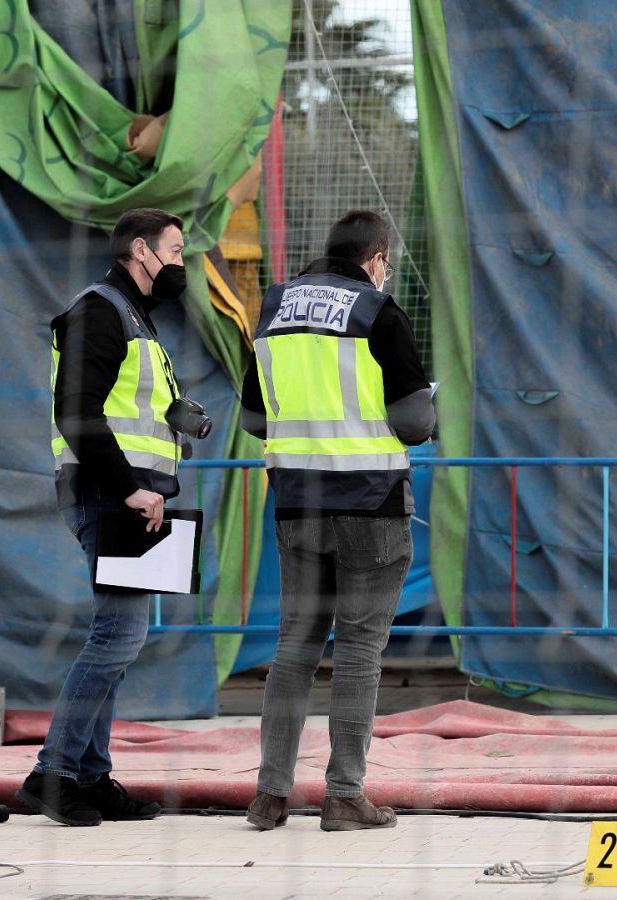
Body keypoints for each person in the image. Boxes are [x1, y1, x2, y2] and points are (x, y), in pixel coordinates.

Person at [238, 210, 435, 831]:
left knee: (294, 647)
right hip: (372, 506)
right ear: (376, 260)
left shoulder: (273, 312)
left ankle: (270, 796)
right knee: (357, 653)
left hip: (298, 504)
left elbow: (252, 421)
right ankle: (344, 795)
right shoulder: (379, 312)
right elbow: (415, 425)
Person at [20, 207, 207, 826]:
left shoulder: (135, 319)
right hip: (113, 493)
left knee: (123, 639)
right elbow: (77, 411)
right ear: (139, 250)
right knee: (116, 637)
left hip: (134, 492)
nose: (182, 263)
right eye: (175, 251)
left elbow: (124, 404)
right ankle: (55, 773)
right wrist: (129, 488)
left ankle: (91, 775)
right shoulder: (100, 310)